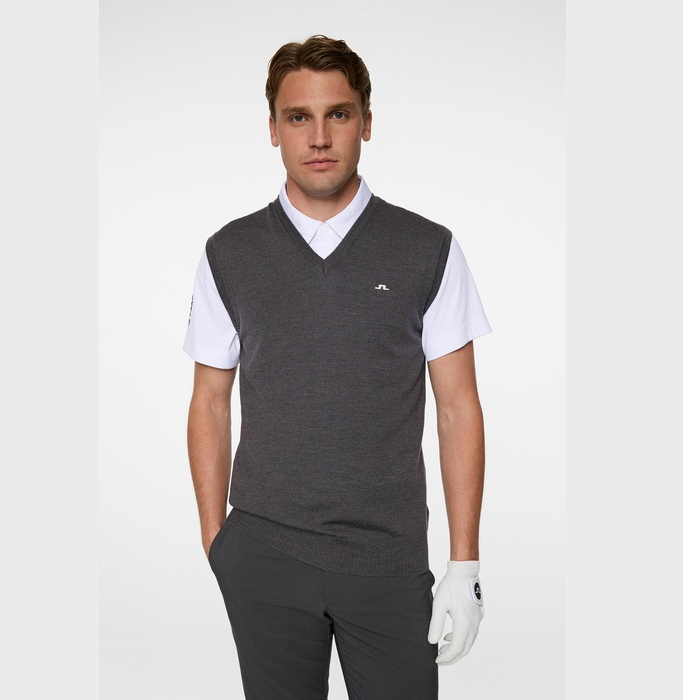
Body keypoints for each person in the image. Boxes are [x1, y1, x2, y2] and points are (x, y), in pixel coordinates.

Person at [184, 35, 491, 700]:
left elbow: (458, 406)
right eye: (298, 117)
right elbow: (209, 398)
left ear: (366, 123)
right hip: (263, 558)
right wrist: (217, 542)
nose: (319, 137)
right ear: (273, 129)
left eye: (339, 114)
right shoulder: (229, 253)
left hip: (387, 565)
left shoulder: (427, 249)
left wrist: (464, 565)